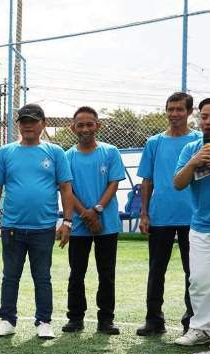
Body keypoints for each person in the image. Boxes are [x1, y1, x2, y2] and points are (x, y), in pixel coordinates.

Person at [0, 103, 74, 339]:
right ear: (19, 125)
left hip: (44, 227)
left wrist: (67, 222)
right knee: (10, 276)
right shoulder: (5, 152)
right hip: (12, 227)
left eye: (33, 121)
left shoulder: (55, 152)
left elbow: (66, 188)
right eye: (23, 121)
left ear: (43, 124)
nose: (28, 126)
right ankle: (7, 320)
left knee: (42, 277)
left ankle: (44, 321)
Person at [136, 92, 202, 336]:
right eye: (170, 109)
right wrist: (144, 213)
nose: (174, 114)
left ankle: (192, 321)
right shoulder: (154, 142)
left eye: (179, 109)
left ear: (189, 112)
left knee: (193, 273)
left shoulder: (198, 141)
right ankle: (154, 320)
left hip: (193, 217)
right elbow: (147, 180)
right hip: (160, 216)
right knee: (156, 270)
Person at [61, 107, 126, 335]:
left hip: (106, 225)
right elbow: (67, 189)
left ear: (98, 126)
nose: (85, 129)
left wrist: (97, 210)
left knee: (106, 273)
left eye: (90, 124)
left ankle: (106, 319)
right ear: (73, 128)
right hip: (79, 226)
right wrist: (85, 214)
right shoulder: (67, 156)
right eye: (81, 125)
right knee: (76, 273)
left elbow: (113, 184)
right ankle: (75, 318)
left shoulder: (110, 152)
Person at [173, 96, 210, 348]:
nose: (208, 122)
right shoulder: (192, 149)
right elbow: (178, 184)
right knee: (200, 280)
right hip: (200, 227)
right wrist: (193, 163)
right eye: (204, 117)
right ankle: (201, 328)